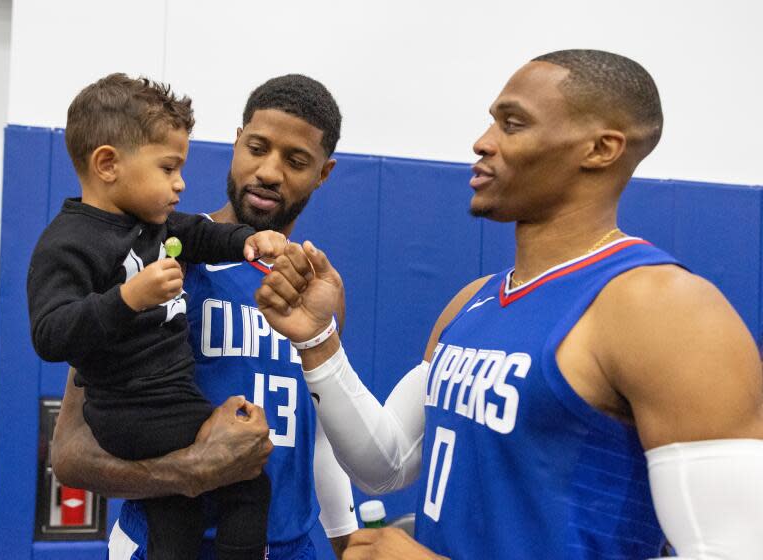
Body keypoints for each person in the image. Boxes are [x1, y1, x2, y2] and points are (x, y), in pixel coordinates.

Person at [255, 50, 763, 559]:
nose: (483, 142)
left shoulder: (665, 309)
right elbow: (386, 465)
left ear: (601, 149)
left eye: (512, 124)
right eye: (491, 121)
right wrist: (318, 339)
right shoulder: (471, 304)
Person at [51, 74, 358, 559]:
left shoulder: (319, 289)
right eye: (257, 147)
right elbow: (70, 454)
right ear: (236, 142)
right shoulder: (156, 257)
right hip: (170, 545)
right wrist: (190, 470)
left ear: (324, 172)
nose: (270, 172)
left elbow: (313, 440)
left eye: (296, 161)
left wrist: (347, 541)